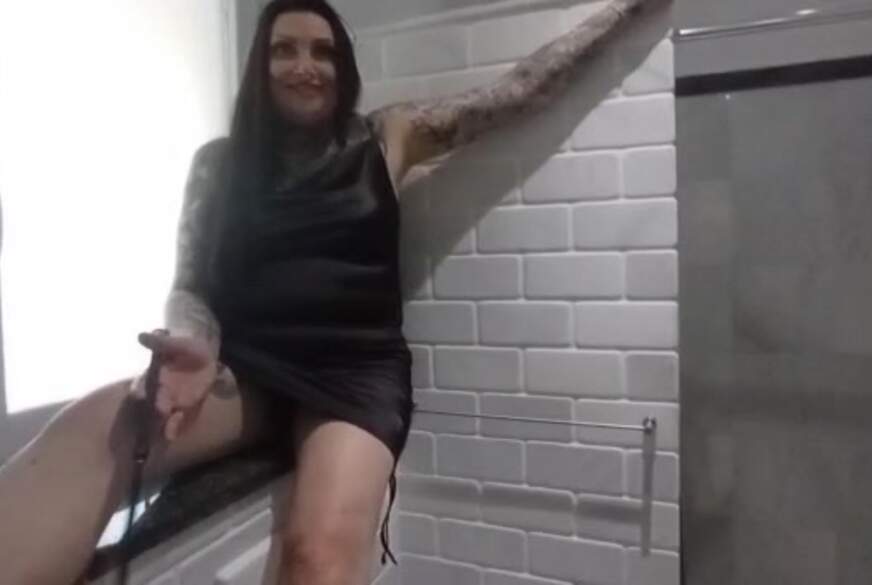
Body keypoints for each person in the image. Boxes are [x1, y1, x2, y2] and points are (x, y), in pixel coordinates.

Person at [0, 0, 661, 583]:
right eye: (284, 50)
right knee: (93, 424)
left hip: (355, 374)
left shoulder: (387, 136)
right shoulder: (218, 164)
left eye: (322, 52)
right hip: (249, 371)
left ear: (343, 67)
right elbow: (191, 286)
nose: (304, 66)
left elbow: (518, 91)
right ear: (260, 67)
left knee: (317, 557)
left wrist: (627, 11)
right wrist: (196, 342)